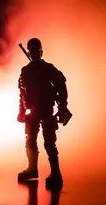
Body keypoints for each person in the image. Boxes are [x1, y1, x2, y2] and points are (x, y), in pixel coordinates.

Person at [17, 38, 69, 186]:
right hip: (32, 112)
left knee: (49, 143)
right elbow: (22, 93)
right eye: (31, 51)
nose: (34, 53)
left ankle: (56, 173)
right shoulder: (25, 71)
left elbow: (61, 85)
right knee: (30, 141)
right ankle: (32, 169)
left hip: (46, 110)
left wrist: (62, 107)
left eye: (36, 50)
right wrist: (21, 111)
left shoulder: (48, 68)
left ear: (41, 51)